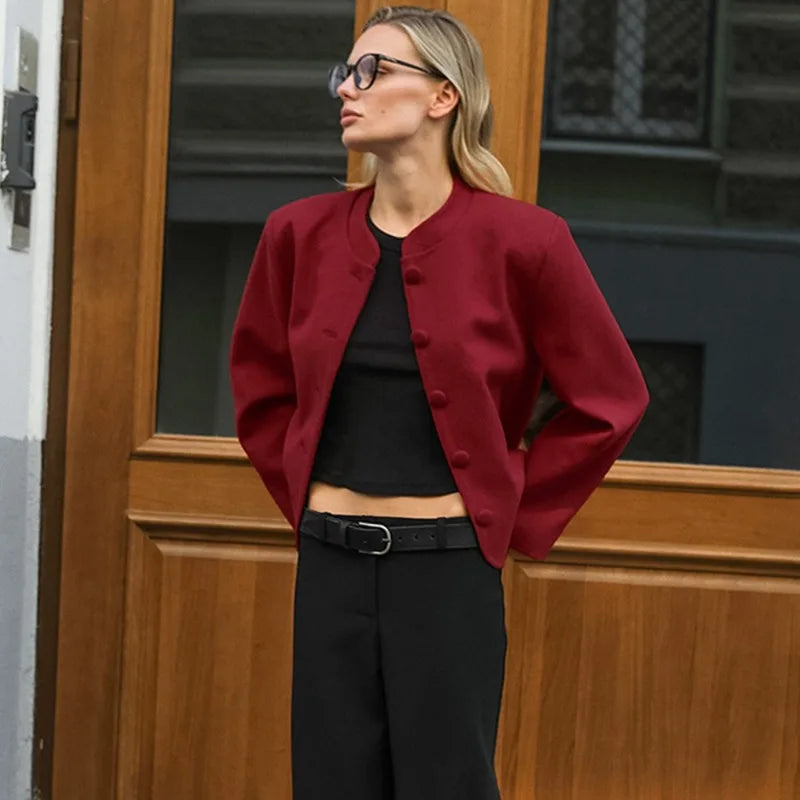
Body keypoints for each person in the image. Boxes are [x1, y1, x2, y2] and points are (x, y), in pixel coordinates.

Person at [229, 6, 649, 799]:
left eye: (373, 70)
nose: (346, 90)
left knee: (446, 785)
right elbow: (260, 383)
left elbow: (610, 399)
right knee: (330, 783)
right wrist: (303, 491)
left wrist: (509, 509)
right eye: (344, 73)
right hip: (328, 562)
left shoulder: (527, 242)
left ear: (442, 97)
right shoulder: (297, 233)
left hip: (448, 571)